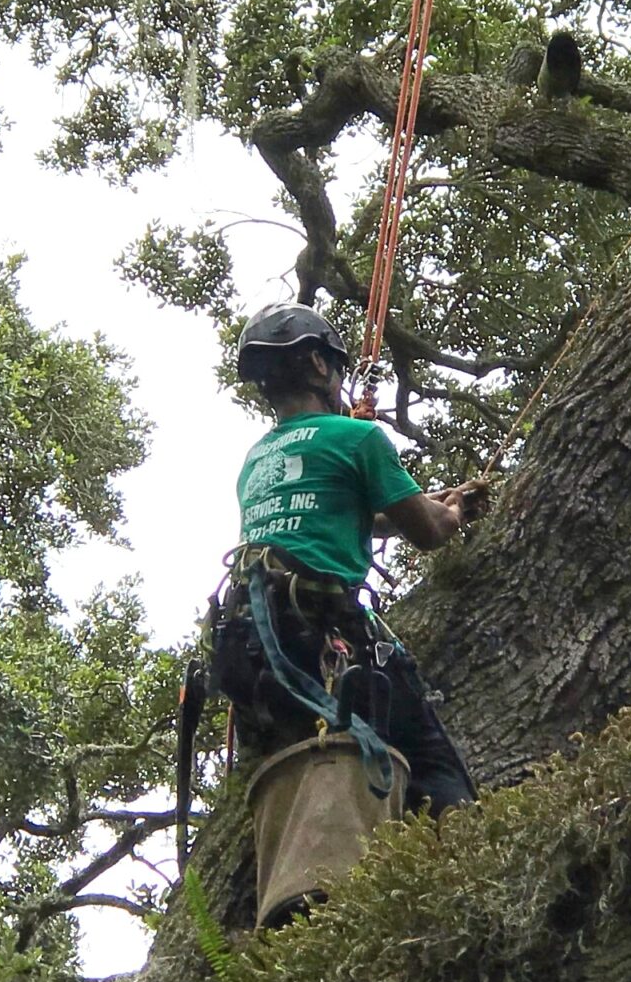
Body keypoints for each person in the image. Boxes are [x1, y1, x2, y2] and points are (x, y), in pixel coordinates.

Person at [207, 304, 485, 814]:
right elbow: (427, 532)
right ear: (317, 364)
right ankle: (462, 844)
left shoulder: (256, 460)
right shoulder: (357, 438)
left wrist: (424, 499)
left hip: (258, 655)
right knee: (431, 759)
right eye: (337, 368)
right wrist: (456, 510)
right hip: (327, 639)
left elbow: (345, 512)